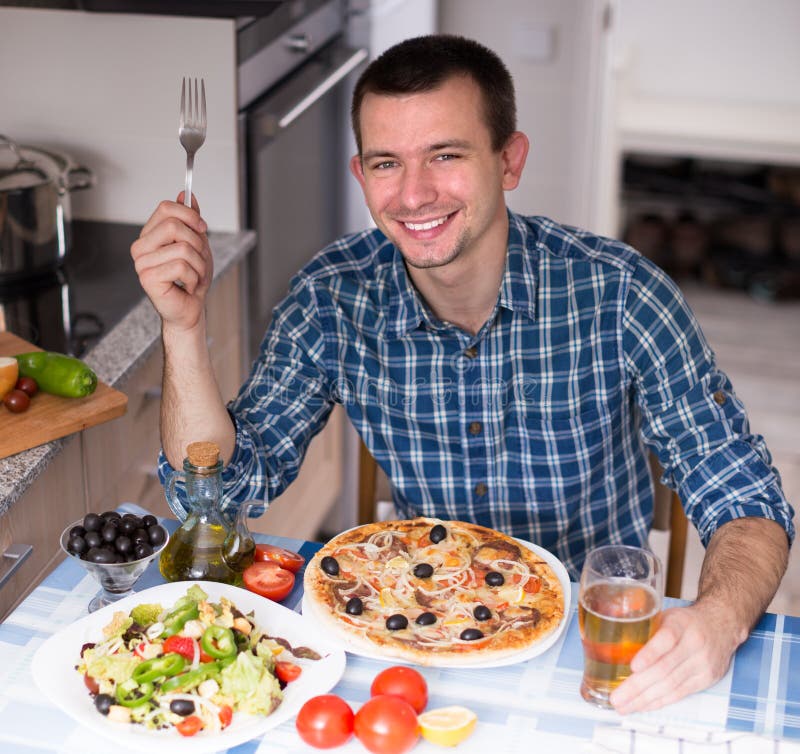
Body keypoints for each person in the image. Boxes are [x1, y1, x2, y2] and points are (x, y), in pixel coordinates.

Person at [131, 35, 793, 712]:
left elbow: (741, 491)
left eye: (445, 155)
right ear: (362, 176)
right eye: (388, 163)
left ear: (509, 160)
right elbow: (216, 494)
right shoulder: (333, 295)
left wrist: (718, 620)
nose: (414, 194)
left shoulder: (621, 292)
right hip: (414, 631)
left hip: (585, 645)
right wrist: (181, 329)